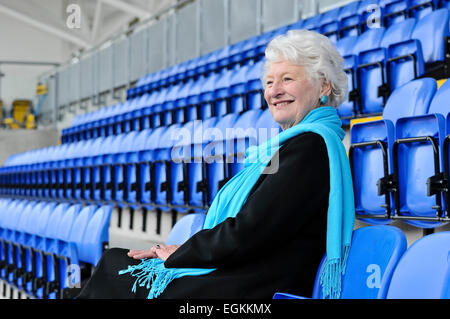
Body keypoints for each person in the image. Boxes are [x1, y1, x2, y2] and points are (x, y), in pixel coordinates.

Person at [77, 29, 355, 299]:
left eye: (287, 79)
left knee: (115, 267)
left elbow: (248, 231)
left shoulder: (310, 146)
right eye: (269, 83)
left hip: (257, 287)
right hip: (252, 274)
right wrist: (182, 252)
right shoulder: (304, 143)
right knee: (115, 263)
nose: (275, 91)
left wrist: (182, 252)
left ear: (324, 86)